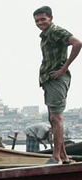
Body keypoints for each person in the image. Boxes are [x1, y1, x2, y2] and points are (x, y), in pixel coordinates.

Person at [33, 6, 82, 164]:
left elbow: (77, 43)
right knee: (52, 119)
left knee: (56, 117)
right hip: (48, 78)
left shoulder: (56, 31)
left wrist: (64, 68)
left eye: (43, 19)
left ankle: (56, 157)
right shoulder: (45, 36)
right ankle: (63, 156)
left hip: (56, 78)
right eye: (37, 21)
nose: (40, 23)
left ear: (50, 18)